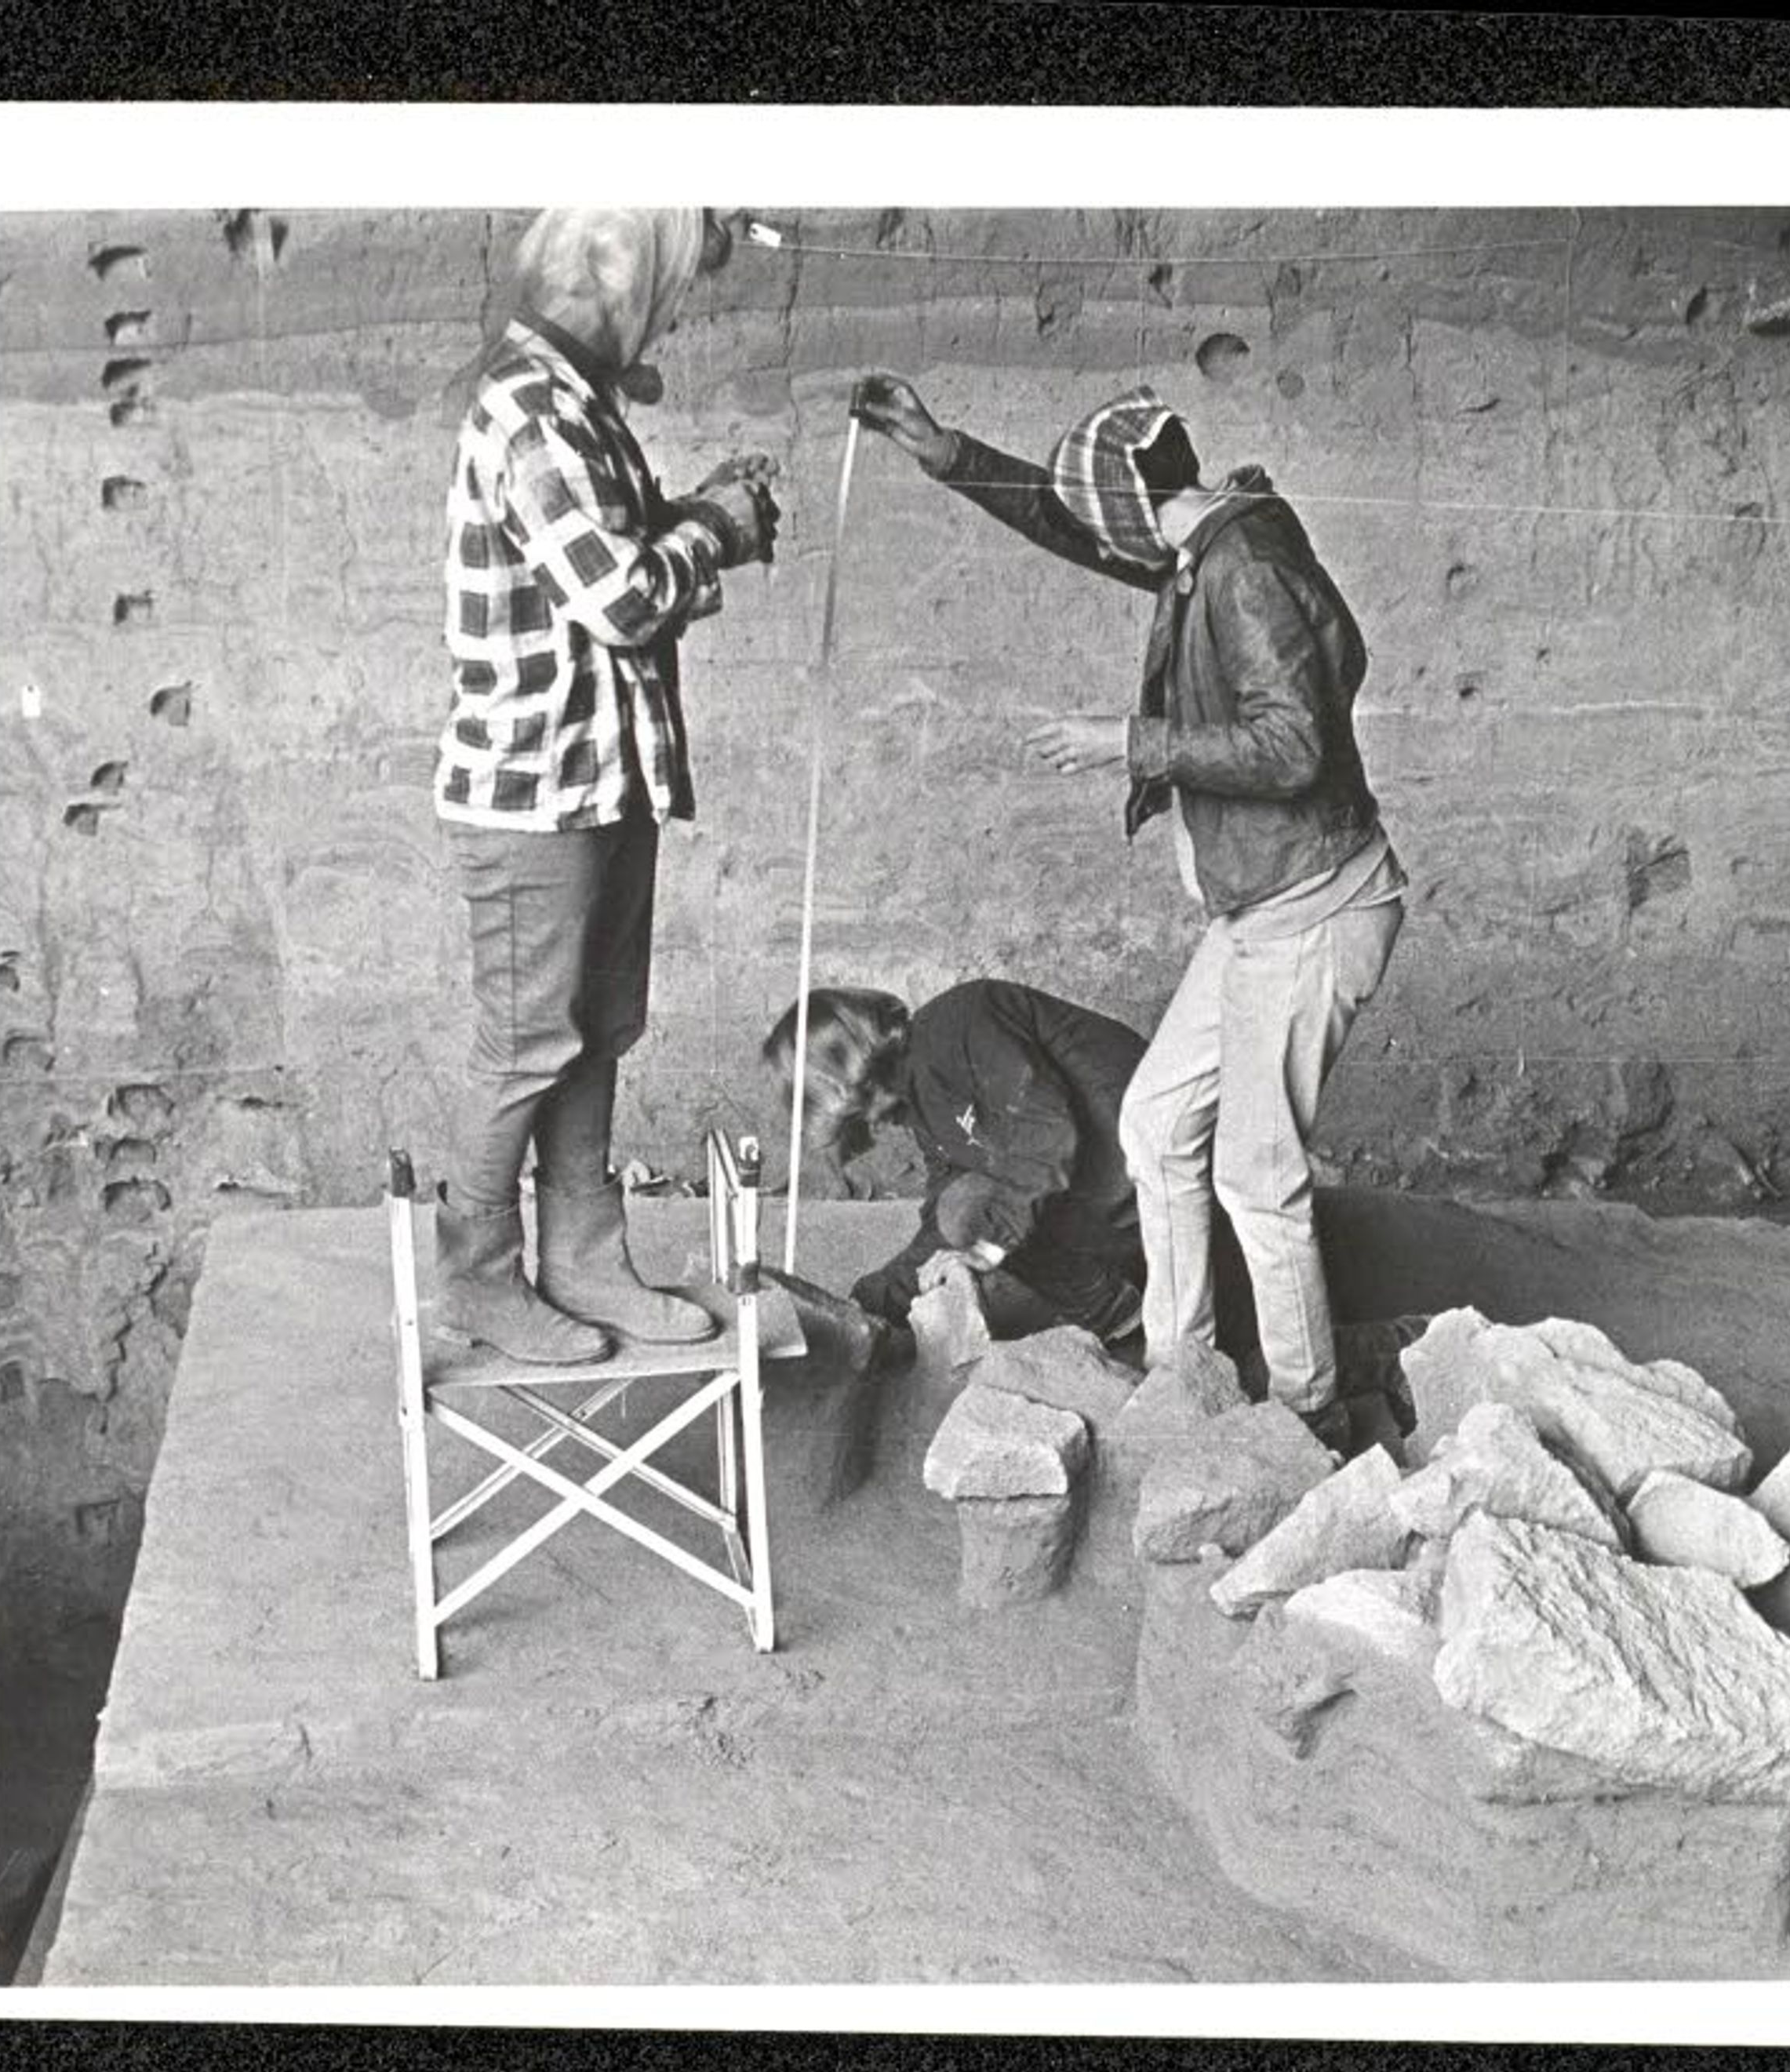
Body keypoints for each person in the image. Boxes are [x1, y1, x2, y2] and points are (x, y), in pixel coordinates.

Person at [847, 373, 1406, 1447]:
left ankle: (1305, 1417)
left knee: (1257, 1172)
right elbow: (1082, 527)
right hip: (1256, 912)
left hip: (1317, 906)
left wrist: (1130, 742)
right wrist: (948, 451)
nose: (1104, 546)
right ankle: (1182, 1370)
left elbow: (1296, 747)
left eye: (1109, 525)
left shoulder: (1242, 571)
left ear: (1138, 511)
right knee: (1158, 1124)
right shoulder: (1199, 541)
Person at [426, 208, 784, 1364]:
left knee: (596, 1032)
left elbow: (600, 557)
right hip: (534, 796)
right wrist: (715, 537)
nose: (673, 315)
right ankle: (479, 1277)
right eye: (668, 292)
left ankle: (582, 1257)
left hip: (599, 783)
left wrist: (693, 513)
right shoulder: (529, 409)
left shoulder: (579, 404)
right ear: (610, 279)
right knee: (529, 1044)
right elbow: (623, 601)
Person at [766, 981, 1155, 1346]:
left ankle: (1117, 1309)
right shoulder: (920, 1102)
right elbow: (945, 1214)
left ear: (860, 1073)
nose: (870, 1124)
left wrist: (987, 1251)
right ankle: (1121, 1318)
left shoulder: (964, 1023)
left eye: (858, 1111)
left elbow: (1046, 1139)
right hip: (1111, 1200)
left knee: (976, 1212)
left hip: (1155, 1171)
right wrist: (872, 1303)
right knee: (961, 1209)